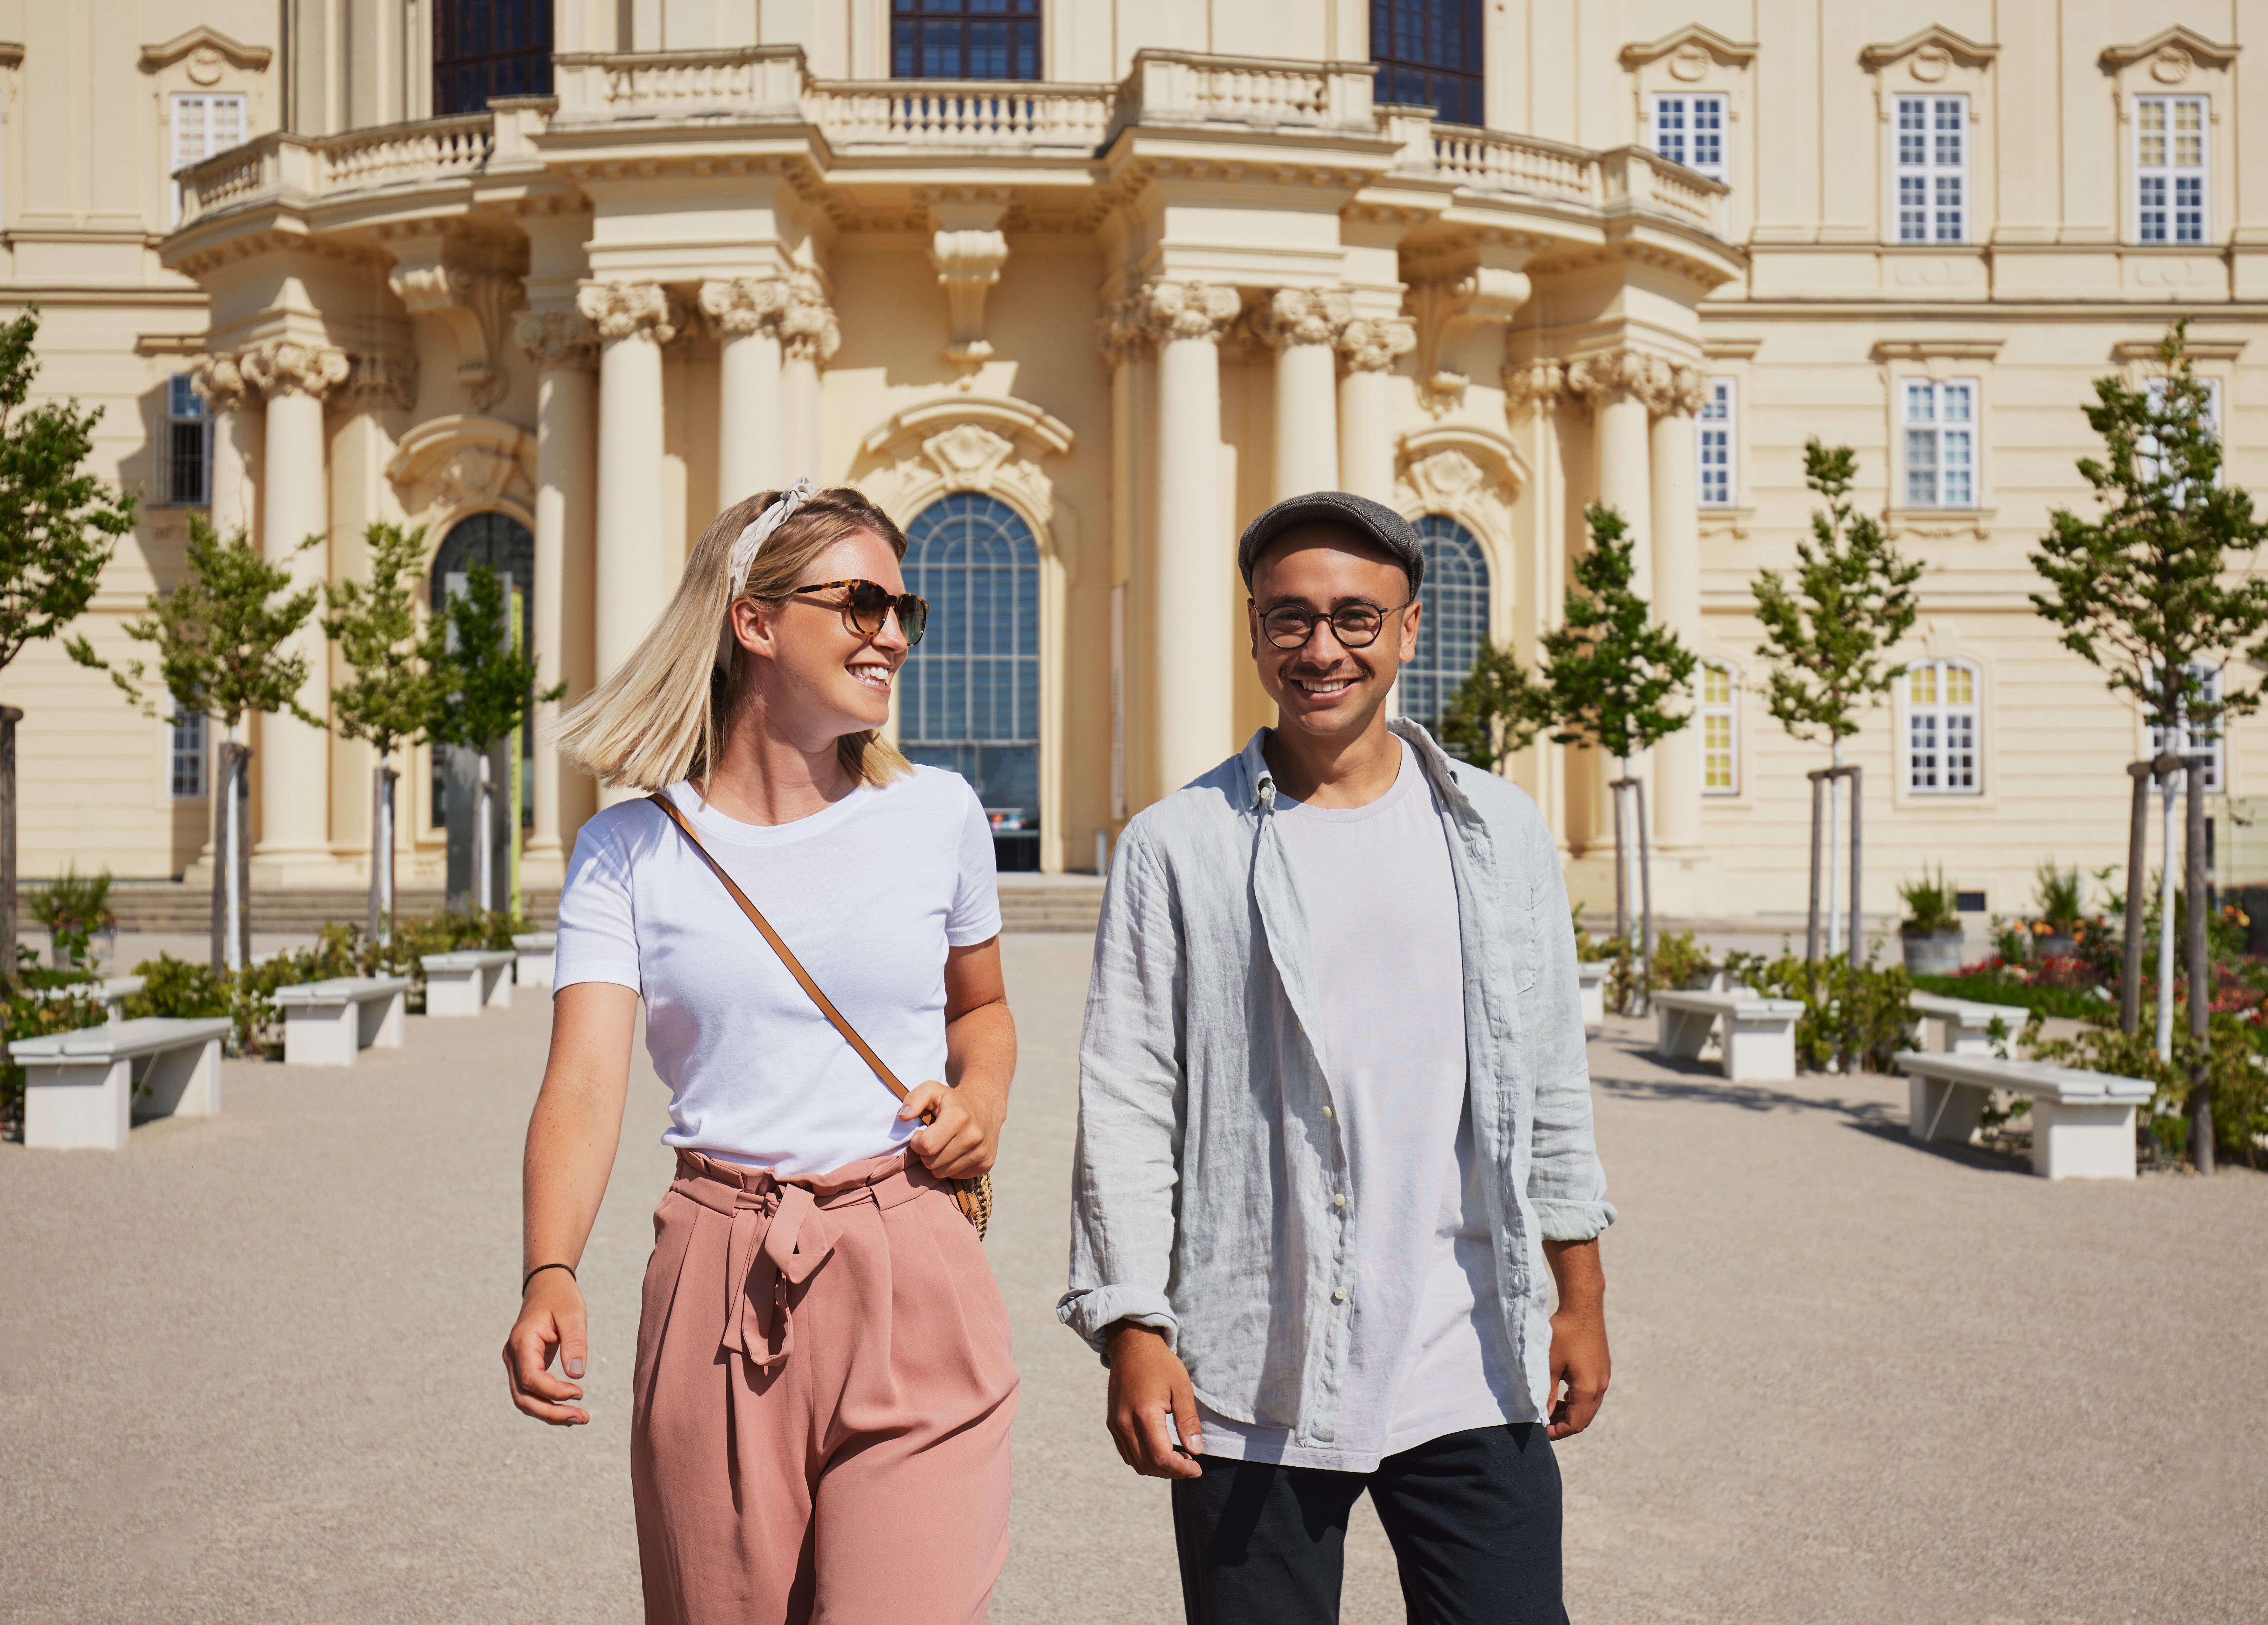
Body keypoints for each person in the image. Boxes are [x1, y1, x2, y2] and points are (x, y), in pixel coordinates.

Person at [1063, 491, 1615, 1625]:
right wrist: (1131, 1326)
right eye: (1290, 619)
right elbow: (1127, 1100)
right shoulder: (1177, 845)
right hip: (1250, 1358)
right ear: (1255, 630)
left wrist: (1582, 1297)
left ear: (1409, 628)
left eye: (1355, 619)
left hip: (1469, 1356)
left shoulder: (1499, 830)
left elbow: (1550, 1074)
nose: (1322, 649)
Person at [503, 482, 1020, 1625]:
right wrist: (550, 1269)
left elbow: (979, 1011)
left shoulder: (936, 814)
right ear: (752, 618)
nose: (890, 630)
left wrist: (981, 1097)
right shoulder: (626, 850)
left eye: (903, 608)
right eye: (859, 602)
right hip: (716, 1275)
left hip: (911, 1258)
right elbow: (583, 1084)